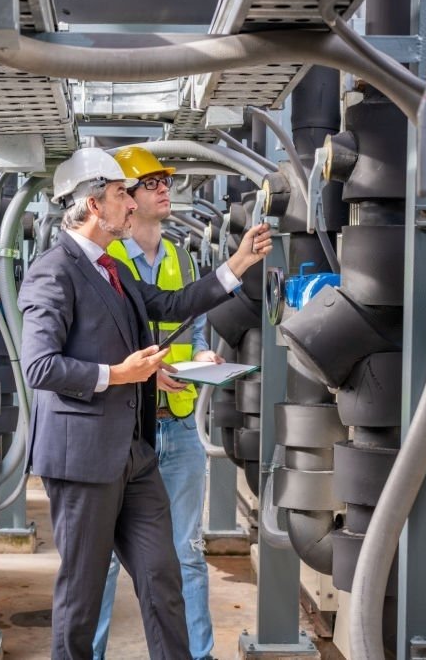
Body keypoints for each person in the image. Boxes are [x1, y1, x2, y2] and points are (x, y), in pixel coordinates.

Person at [18, 146, 271, 660]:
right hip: (84, 458)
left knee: (162, 578)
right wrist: (119, 374)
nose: (131, 205)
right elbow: (39, 367)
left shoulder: (113, 269)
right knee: (82, 594)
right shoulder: (55, 271)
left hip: (134, 455)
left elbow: (171, 306)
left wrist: (238, 263)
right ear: (92, 205)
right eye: (119, 195)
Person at [92, 146, 219, 660]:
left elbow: (195, 323)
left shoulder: (183, 256)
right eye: (151, 183)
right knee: (99, 558)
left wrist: (205, 355)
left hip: (181, 426)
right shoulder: (107, 260)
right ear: (124, 198)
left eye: (166, 180)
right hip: (128, 430)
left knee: (187, 553)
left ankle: (198, 655)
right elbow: (96, 345)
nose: (165, 188)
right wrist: (148, 375)